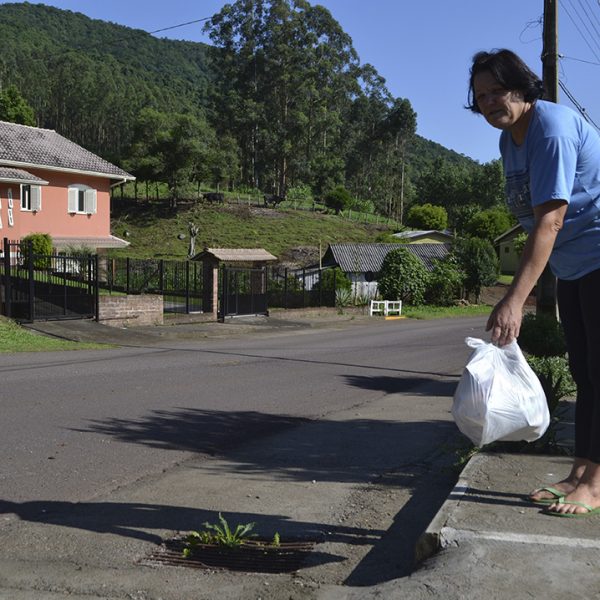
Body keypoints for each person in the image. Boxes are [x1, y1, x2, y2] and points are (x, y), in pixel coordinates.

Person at [467, 49, 600, 517]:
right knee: (585, 375)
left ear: (521, 88)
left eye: (495, 92)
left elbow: (551, 221)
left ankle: (596, 486)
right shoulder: (510, 141)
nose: (487, 103)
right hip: (576, 265)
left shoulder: (552, 128)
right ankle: (579, 473)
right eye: (480, 96)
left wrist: (514, 300)